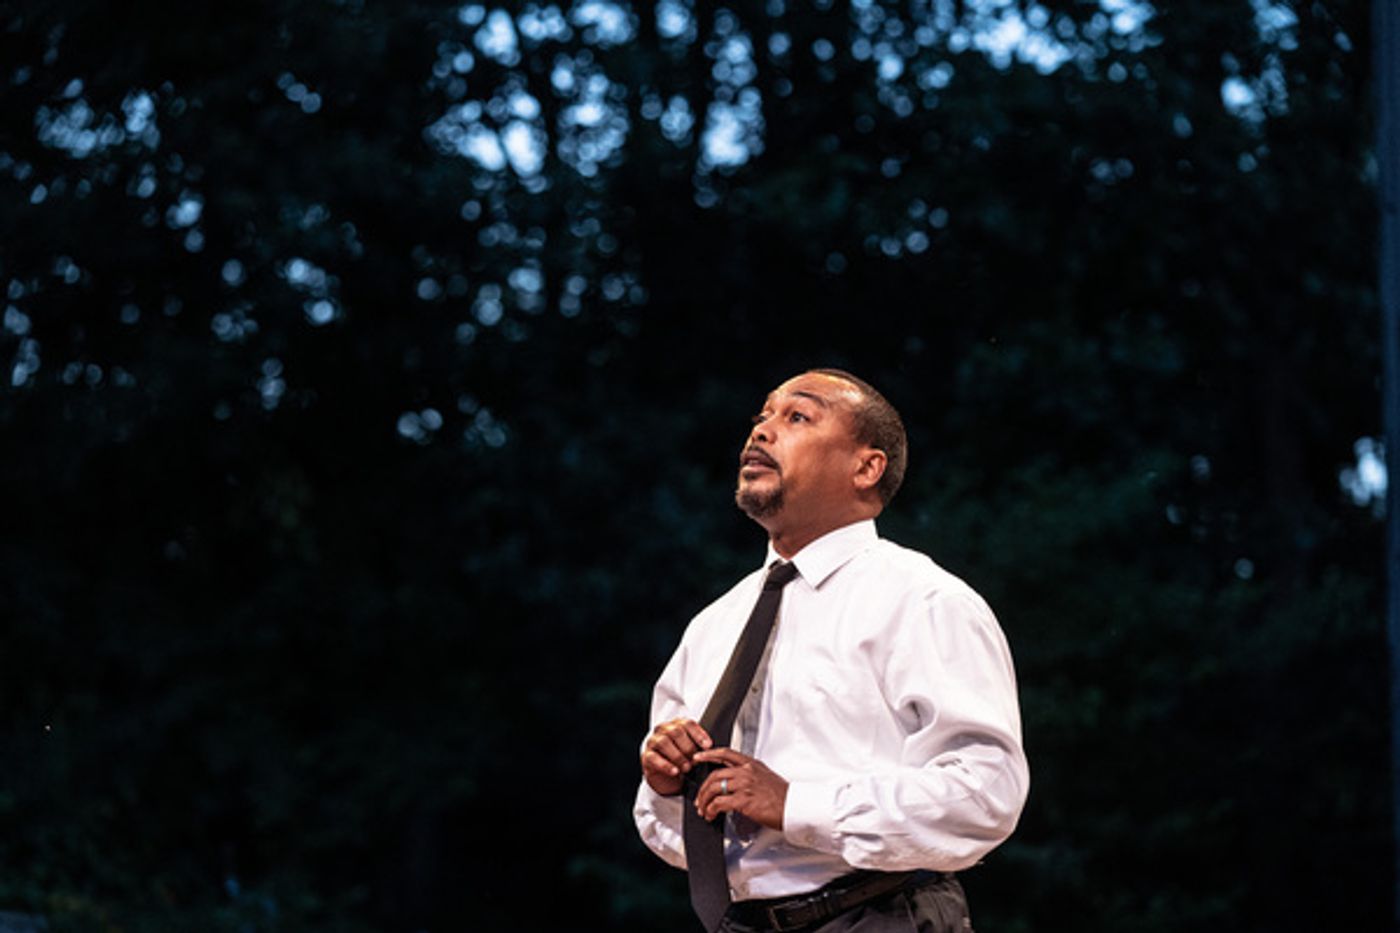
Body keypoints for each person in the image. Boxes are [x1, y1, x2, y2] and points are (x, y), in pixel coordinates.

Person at [634, 368, 1028, 933]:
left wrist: (797, 804)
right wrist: (668, 785)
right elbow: (669, 835)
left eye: (797, 416)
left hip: (881, 915)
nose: (762, 432)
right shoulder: (713, 625)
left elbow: (986, 793)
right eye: (761, 417)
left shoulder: (921, 599)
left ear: (866, 468)